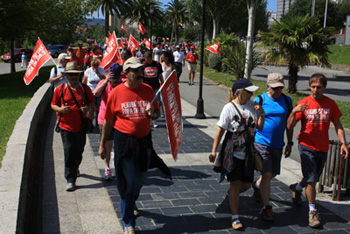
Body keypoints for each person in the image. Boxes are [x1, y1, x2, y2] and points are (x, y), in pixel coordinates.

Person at [99, 57, 160, 234]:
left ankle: (131, 200)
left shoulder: (148, 90)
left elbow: (157, 113)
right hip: (123, 143)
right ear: (126, 74)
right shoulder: (116, 93)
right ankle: (128, 222)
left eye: (141, 70)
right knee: (127, 181)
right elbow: (108, 121)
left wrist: (153, 113)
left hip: (144, 142)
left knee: (140, 180)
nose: (140, 74)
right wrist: (102, 145)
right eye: (136, 71)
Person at [287, 73, 349, 228]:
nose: (315, 90)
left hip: (322, 147)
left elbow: (338, 125)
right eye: (313, 87)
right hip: (306, 146)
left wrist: (343, 143)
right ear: (310, 87)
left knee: (311, 177)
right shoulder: (304, 103)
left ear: (324, 87)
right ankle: (312, 212)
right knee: (312, 179)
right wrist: (294, 111)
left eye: (319, 87)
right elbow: (289, 126)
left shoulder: (330, 104)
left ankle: (297, 188)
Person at [209, 79, 264, 230]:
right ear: (239, 92)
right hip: (232, 152)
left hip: (248, 153)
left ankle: (233, 194)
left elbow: (259, 127)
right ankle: (235, 217)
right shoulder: (229, 108)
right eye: (249, 92)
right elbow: (220, 131)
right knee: (235, 183)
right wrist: (214, 151)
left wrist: (261, 113)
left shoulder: (252, 106)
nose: (252, 94)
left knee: (245, 184)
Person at [251, 73, 293, 221]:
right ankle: (267, 207)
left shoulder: (287, 101)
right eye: (275, 88)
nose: (278, 91)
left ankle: (257, 186)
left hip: (278, 144)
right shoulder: (260, 100)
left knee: (272, 174)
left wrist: (290, 142)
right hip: (261, 142)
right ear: (268, 86)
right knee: (267, 174)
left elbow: (289, 124)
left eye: (280, 88)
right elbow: (252, 121)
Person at [51, 62, 94, 191]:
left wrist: (87, 110)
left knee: (79, 151)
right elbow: (53, 105)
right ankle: (70, 179)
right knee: (69, 151)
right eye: (71, 75)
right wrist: (61, 109)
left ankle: (75, 167)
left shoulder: (85, 89)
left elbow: (92, 103)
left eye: (76, 75)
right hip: (65, 127)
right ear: (67, 76)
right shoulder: (60, 89)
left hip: (80, 126)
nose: (74, 77)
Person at [93, 63, 123, 180]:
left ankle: (120, 167)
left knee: (120, 144)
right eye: (111, 80)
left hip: (119, 118)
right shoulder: (104, 83)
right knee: (107, 143)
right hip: (104, 118)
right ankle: (107, 167)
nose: (113, 83)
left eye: (115, 81)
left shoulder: (123, 83)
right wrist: (106, 81)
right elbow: (95, 93)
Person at [142, 51, 164, 128]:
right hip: (146, 87)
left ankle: (154, 120)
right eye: (145, 59)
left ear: (150, 58)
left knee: (156, 102)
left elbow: (160, 75)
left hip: (155, 87)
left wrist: (163, 83)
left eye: (148, 59)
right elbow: (141, 77)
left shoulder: (157, 64)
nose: (146, 60)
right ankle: (146, 119)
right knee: (146, 103)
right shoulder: (143, 65)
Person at [82, 57, 106, 126]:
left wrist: (98, 73)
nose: (95, 67)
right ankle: (90, 124)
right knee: (91, 109)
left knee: (98, 109)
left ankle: (97, 122)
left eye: (97, 65)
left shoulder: (101, 70)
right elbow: (84, 82)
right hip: (91, 92)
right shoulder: (88, 71)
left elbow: (104, 79)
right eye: (94, 65)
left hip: (99, 92)